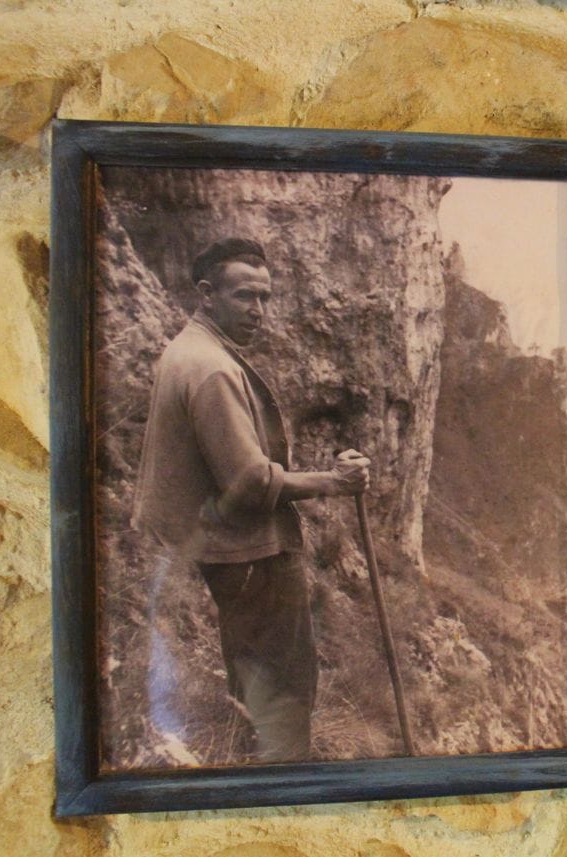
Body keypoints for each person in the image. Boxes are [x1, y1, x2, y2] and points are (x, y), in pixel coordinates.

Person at [132, 237, 371, 762]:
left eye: (264, 297)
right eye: (244, 296)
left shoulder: (190, 349)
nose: (258, 311)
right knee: (284, 680)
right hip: (246, 549)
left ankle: (254, 761)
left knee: (254, 668)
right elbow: (250, 482)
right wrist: (335, 480)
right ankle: (285, 782)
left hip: (221, 545)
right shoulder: (211, 367)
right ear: (206, 293)